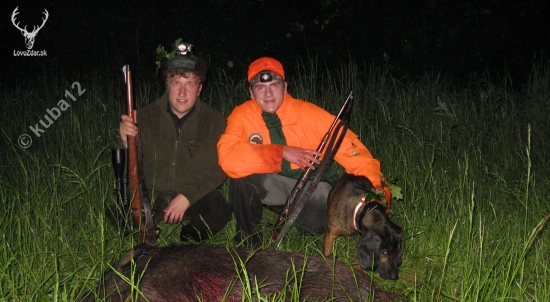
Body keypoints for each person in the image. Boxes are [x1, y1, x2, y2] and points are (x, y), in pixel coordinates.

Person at [217, 57, 390, 246]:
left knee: (330, 218)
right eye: (260, 87)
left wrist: (379, 192)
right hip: (277, 190)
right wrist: (280, 152)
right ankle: (248, 242)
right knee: (240, 179)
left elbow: (353, 151)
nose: (268, 94)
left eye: (274, 86)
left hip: (314, 192)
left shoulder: (309, 114)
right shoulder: (242, 115)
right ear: (251, 92)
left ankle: (314, 226)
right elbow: (228, 155)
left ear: (285, 87)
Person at [117, 43, 231, 241]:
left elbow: (219, 168)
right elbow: (127, 169)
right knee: (119, 213)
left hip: (191, 196)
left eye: (190, 84)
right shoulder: (143, 116)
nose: (182, 92)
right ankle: (146, 234)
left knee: (219, 210)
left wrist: (187, 196)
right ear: (167, 85)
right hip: (151, 194)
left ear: (200, 88)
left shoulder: (215, 121)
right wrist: (124, 142)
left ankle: (187, 241)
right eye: (176, 83)